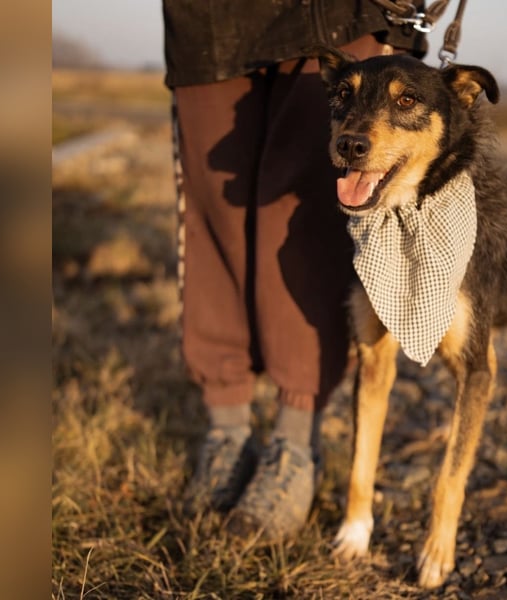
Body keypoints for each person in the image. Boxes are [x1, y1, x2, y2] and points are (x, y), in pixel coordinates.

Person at [163, 1, 427, 541]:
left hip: (344, 9)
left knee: (310, 210)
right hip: (207, 17)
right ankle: (227, 430)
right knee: (215, 204)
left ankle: (294, 441)